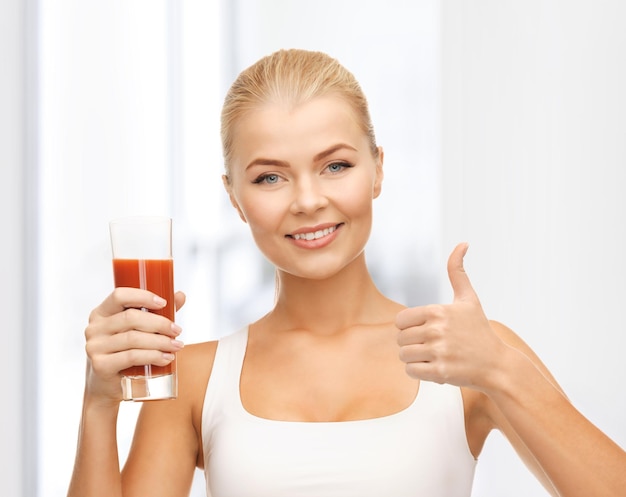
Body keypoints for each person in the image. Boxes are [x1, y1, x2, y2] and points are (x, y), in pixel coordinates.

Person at [67, 48, 626, 497]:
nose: (309, 201)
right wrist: (98, 405)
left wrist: (504, 371)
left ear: (377, 169)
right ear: (233, 197)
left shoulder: (469, 354)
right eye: (269, 177)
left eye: (336, 166)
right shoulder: (194, 377)